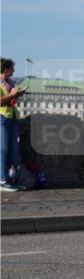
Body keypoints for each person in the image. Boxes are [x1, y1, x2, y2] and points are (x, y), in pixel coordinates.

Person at [0, 58, 25, 192]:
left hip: (13, 116)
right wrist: (11, 95)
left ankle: (12, 179)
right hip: (2, 117)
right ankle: (2, 180)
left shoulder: (11, 82)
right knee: (3, 148)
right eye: (12, 69)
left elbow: (11, 98)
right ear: (5, 69)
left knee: (13, 149)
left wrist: (18, 94)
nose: (14, 71)